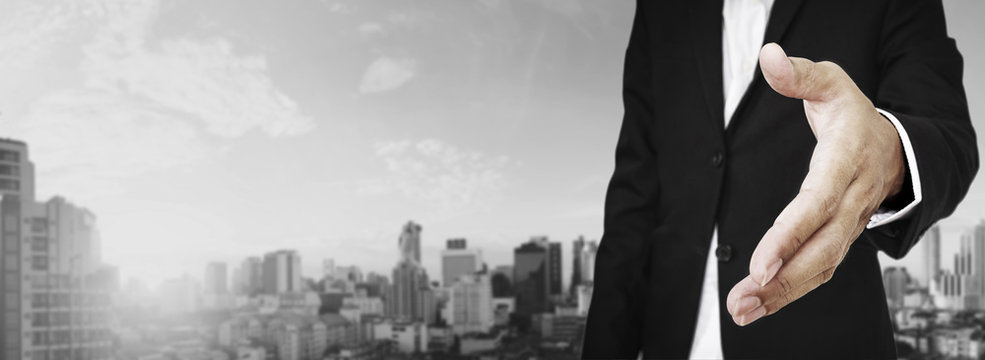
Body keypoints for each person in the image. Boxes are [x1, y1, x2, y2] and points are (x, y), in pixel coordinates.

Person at [582, 0, 978, 359]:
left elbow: (950, 138)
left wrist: (886, 154)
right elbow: (633, 200)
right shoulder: (659, 9)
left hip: (822, 343)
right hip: (670, 340)